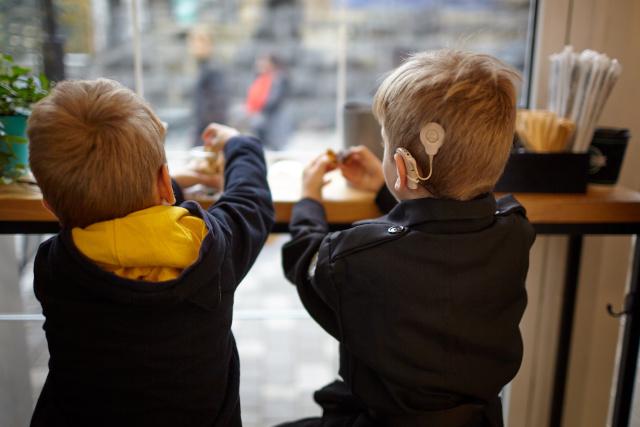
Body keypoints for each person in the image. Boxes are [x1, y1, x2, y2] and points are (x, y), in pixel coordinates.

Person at [278, 50, 536, 427]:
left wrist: (309, 198)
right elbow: (440, 230)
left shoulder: (354, 258)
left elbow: (305, 263)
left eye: (384, 146)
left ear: (400, 167)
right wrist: (389, 192)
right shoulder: (514, 233)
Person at [26, 78, 274, 426]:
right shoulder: (213, 249)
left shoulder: (56, 267)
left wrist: (166, 181)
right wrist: (239, 145)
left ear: (50, 207)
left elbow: (105, 216)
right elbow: (252, 201)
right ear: (162, 182)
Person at [188, 26, 229, 146]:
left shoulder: (213, 69)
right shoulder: (202, 68)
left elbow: (218, 107)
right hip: (201, 130)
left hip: (208, 134)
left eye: (201, 41)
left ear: (210, 44)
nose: (196, 46)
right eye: (193, 41)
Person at [245, 54, 291, 150]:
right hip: (259, 115)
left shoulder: (278, 78)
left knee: (274, 146)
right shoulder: (260, 78)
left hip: (273, 118)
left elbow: (274, 99)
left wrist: (260, 110)